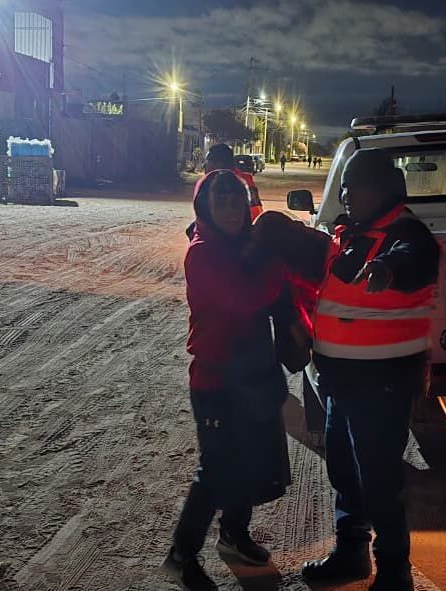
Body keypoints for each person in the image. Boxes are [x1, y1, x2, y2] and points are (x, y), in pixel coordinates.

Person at [298, 149, 440, 591]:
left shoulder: (407, 233)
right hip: (342, 380)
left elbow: (410, 259)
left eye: (354, 186)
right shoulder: (350, 234)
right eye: (344, 186)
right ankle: (351, 553)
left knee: (378, 478)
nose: (346, 194)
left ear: (384, 192)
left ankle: (395, 572)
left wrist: (385, 269)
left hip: (383, 382)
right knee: (343, 469)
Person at [163, 170, 294, 591]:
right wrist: (279, 267)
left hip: (253, 374)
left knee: (251, 459)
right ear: (205, 207)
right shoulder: (202, 253)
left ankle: (234, 535)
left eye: (237, 201)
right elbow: (245, 299)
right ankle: (182, 557)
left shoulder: (245, 246)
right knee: (217, 470)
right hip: (217, 381)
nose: (232, 210)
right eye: (222, 202)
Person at [185, 144, 262, 240]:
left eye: (209, 162)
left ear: (219, 164)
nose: (205, 166)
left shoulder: (224, 183)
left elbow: (255, 214)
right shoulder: (211, 180)